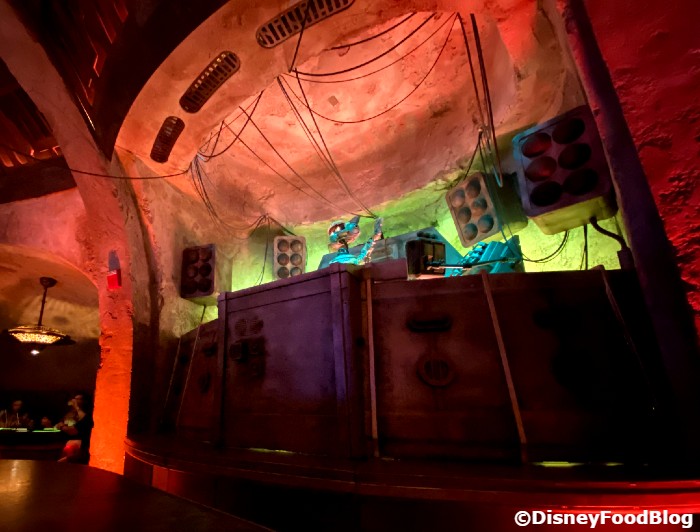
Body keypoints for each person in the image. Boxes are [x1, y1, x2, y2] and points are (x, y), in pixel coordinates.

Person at [57, 393, 94, 464]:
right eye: (75, 399)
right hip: (77, 446)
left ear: (85, 401)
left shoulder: (89, 415)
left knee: (62, 460)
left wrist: (62, 426)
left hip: (85, 451)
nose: (75, 401)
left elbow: (74, 430)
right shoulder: (73, 413)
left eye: (78, 399)